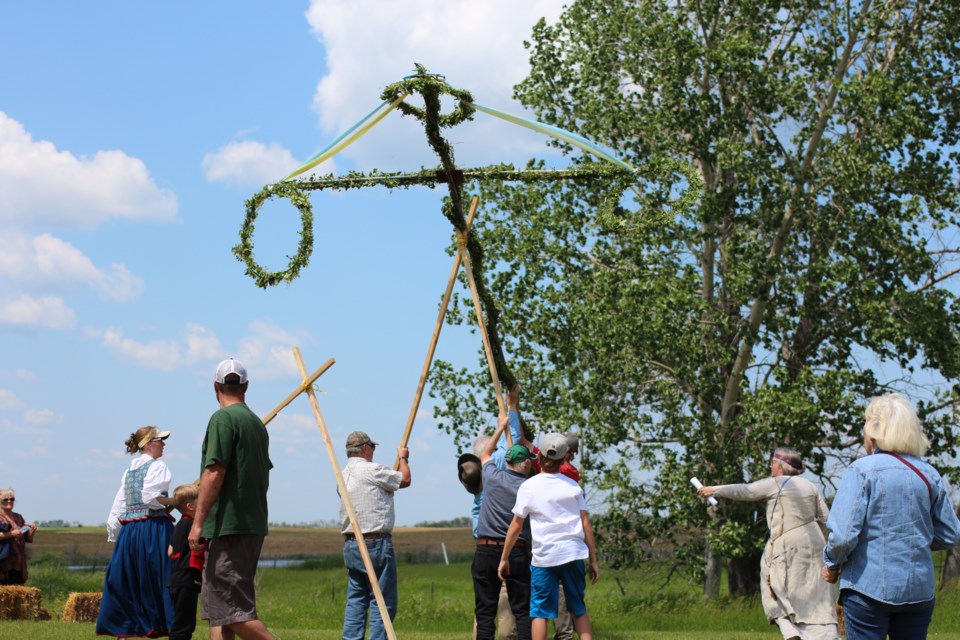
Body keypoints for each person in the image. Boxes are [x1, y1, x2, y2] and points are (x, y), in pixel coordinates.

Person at [821, 393, 960, 640]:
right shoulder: (930, 475)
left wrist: (831, 563)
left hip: (866, 588)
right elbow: (951, 534)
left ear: (873, 431)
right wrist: (915, 540)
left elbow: (843, 536)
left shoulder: (861, 471)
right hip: (918, 591)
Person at [698, 447, 839, 640]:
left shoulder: (776, 483)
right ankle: (825, 636)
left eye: (773, 462)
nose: (770, 466)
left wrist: (714, 490)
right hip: (814, 542)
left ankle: (791, 632)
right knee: (814, 594)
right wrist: (825, 547)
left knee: (774, 585)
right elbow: (826, 519)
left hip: (788, 542)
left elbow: (745, 491)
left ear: (780, 466)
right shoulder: (810, 486)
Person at [188, 358, 275, 640]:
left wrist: (197, 522)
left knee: (235, 613)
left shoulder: (222, 419)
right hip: (249, 524)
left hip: (229, 526)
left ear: (215, 386)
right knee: (220, 612)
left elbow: (214, 472)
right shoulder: (255, 424)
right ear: (246, 386)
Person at [499, 433, 600, 640]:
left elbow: (516, 525)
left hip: (544, 557)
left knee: (540, 613)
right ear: (564, 458)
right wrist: (593, 560)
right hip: (572, 553)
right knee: (578, 609)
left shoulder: (528, 486)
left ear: (540, 456)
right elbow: (585, 524)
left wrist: (504, 558)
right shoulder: (573, 487)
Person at [96, 426, 175, 637]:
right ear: (149, 444)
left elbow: (118, 508)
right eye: (160, 440)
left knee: (129, 577)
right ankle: (162, 623)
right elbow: (150, 498)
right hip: (152, 529)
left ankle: (127, 628)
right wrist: (177, 501)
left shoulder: (129, 472)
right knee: (160, 576)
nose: (164, 444)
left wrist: (116, 532)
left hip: (130, 531)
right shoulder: (158, 467)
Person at [339, 430, 411, 640]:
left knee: (356, 599)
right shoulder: (373, 470)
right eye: (372, 447)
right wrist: (403, 458)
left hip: (352, 543)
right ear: (364, 448)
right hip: (375, 543)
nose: (373, 451)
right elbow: (405, 479)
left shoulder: (341, 475)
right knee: (382, 600)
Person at [474, 413, 535, 640]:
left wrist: (500, 427)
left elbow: (485, 453)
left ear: (508, 462)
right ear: (526, 463)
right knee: (522, 611)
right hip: (516, 551)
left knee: (485, 611)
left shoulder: (491, 475)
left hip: (486, 549)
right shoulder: (530, 487)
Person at [167, 483, 204, 640]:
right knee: (184, 627)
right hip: (188, 580)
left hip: (175, 581)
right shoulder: (193, 526)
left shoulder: (179, 525)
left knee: (179, 621)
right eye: (201, 502)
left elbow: (170, 551)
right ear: (190, 506)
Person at [0, 488, 37, 585]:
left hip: (18, 562)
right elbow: (13, 534)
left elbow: (27, 539)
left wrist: (32, 531)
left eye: (12, 499)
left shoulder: (18, 517)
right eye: (5, 499)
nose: (9, 501)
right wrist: (10, 534)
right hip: (3, 562)